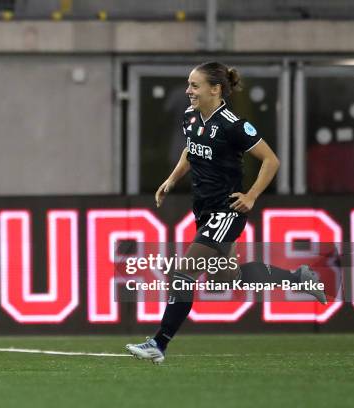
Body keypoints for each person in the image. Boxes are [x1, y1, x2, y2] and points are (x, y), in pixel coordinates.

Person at [126, 62, 326, 365]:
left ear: (215, 89)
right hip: (205, 211)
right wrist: (172, 178)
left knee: (183, 274)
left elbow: (271, 160)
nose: (188, 91)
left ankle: (159, 343)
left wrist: (252, 196)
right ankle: (298, 277)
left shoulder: (234, 125)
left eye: (194, 85)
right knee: (226, 276)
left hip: (226, 210)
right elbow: (191, 150)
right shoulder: (191, 117)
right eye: (188, 84)